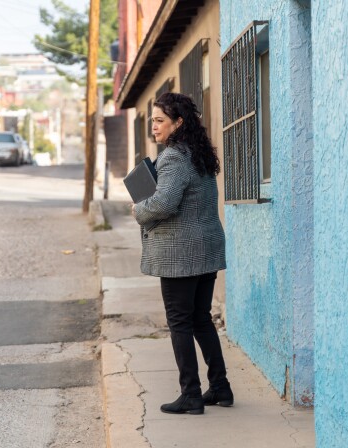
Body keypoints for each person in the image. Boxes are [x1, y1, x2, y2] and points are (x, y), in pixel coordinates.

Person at [131, 92, 233, 415]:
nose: (154, 126)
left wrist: (137, 209)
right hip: (205, 249)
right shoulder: (198, 155)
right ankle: (220, 387)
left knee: (180, 322)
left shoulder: (174, 157)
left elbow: (163, 203)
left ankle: (190, 394)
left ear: (178, 123)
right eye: (152, 120)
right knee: (201, 319)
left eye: (160, 120)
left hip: (181, 255)